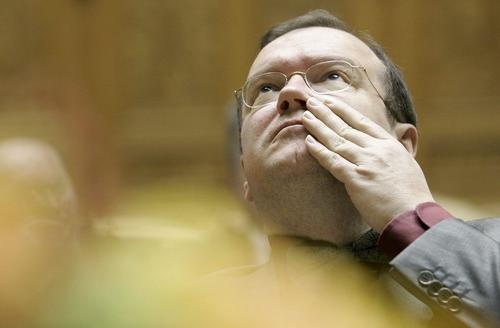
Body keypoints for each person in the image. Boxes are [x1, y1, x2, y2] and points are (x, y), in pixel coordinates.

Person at [206, 9, 499, 328]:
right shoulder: (191, 306)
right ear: (245, 172)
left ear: (401, 146)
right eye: (265, 88)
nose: (291, 93)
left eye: (333, 75)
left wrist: (410, 216)